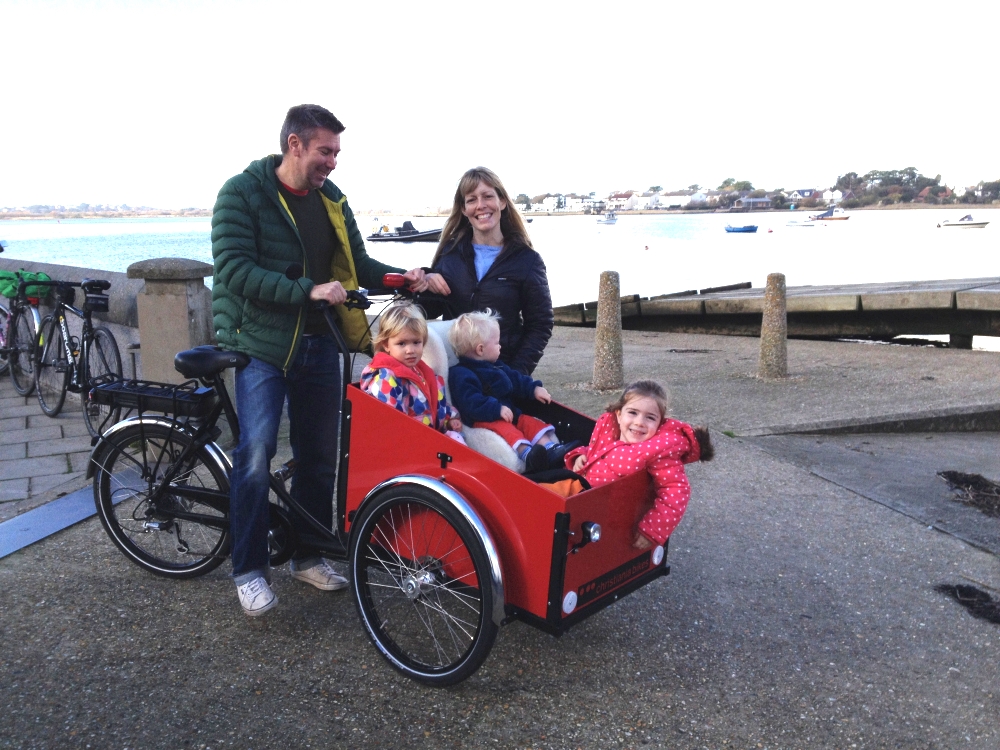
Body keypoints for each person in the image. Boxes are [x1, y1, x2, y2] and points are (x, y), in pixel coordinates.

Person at [212, 104, 435, 617]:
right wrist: (306, 289)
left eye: (336, 152)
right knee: (256, 451)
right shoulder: (241, 192)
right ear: (295, 144)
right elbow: (234, 270)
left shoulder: (331, 199)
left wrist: (404, 278)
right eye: (325, 151)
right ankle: (247, 568)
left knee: (320, 456)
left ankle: (308, 555)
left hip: (321, 342)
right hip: (262, 343)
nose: (333, 162)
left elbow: (359, 265)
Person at [421, 167, 553, 376]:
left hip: (502, 371)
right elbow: (431, 309)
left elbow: (540, 325)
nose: (480, 205)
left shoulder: (527, 260)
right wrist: (425, 280)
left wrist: (517, 374)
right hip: (453, 371)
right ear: (464, 209)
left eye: (487, 196)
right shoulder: (450, 254)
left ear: (502, 202)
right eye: (471, 199)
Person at [565, 380, 713, 549]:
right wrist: (580, 456)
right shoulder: (609, 431)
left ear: (660, 423)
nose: (639, 422)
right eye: (633, 413)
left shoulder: (660, 451)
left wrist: (653, 529)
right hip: (582, 498)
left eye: (650, 417)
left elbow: (676, 490)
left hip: (609, 517)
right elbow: (594, 451)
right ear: (619, 414)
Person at [447, 311, 575, 472]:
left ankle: (551, 448)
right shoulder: (461, 374)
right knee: (508, 431)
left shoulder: (497, 366)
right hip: (485, 420)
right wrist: (496, 409)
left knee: (529, 422)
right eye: (497, 343)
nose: (500, 346)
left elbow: (516, 379)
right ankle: (526, 454)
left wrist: (533, 388)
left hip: (510, 415)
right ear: (480, 349)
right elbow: (470, 403)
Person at [359, 302, 466, 444]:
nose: (410, 350)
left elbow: (436, 403)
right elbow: (392, 424)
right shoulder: (386, 378)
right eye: (402, 343)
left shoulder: (422, 372)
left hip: (428, 440)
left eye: (416, 342)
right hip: (409, 447)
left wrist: (449, 419)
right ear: (386, 344)